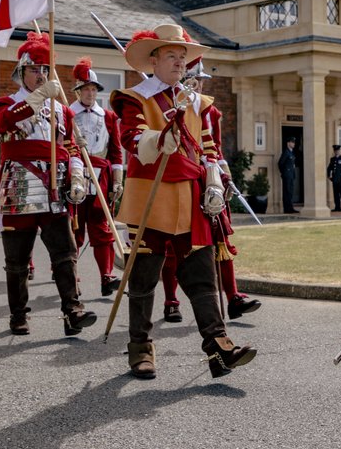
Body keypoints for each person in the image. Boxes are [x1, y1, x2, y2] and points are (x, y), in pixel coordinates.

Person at [110, 23, 257, 379]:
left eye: (182, 57)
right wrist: (160, 139)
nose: (179, 63)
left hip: (192, 197)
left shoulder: (197, 101)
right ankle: (140, 349)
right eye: (171, 56)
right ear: (153, 60)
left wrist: (216, 183)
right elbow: (132, 138)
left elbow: (209, 148)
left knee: (202, 276)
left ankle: (218, 347)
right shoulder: (136, 97)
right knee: (144, 279)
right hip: (150, 194)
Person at [0, 33, 96, 337]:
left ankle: (73, 310)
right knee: (17, 260)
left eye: (45, 69)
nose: (41, 74)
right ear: (22, 72)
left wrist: (77, 175)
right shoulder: (4, 103)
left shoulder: (62, 109)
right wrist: (38, 97)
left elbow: (71, 147)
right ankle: (18, 314)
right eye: (35, 69)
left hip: (55, 187)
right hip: (19, 187)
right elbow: (6, 122)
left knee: (65, 253)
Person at [159, 57, 261, 323]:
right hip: (180, 178)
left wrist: (223, 174)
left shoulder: (211, 110)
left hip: (209, 179)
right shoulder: (168, 105)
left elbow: (214, 147)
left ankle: (233, 298)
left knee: (221, 241)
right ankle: (171, 301)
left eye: (201, 81)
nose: (199, 86)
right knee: (173, 245)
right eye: (195, 80)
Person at [68, 56, 124, 297]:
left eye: (93, 89)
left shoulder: (109, 117)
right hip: (75, 174)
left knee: (103, 228)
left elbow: (116, 150)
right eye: (86, 89)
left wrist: (118, 180)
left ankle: (106, 275)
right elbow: (58, 146)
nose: (90, 93)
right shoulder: (66, 112)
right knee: (75, 230)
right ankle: (72, 278)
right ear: (78, 91)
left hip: (102, 176)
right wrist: (71, 145)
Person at [327, 144, 341, 213]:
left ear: (340, 151)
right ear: (334, 151)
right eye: (336, 151)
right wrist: (329, 175)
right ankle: (337, 207)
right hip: (335, 179)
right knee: (336, 194)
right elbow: (329, 168)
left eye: (338, 150)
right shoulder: (332, 159)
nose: (337, 152)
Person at [278, 137, 298, 213]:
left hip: (291, 175)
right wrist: (284, 173)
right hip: (287, 175)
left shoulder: (291, 152)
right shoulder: (286, 152)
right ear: (288, 143)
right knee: (287, 192)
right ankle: (287, 209)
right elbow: (280, 163)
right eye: (292, 142)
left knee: (290, 192)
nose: (293, 144)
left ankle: (290, 208)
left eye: (294, 142)